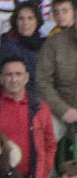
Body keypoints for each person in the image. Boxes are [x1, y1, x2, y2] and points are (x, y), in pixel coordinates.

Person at [34, 0, 77, 147]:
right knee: (44, 135)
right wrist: (63, 110)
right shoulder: (54, 43)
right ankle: (45, 170)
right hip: (61, 109)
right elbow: (42, 81)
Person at [0, 3, 43, 90]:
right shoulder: (8, 46)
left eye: (30, 18)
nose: (25, 23)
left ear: (37, 21)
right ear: (15, 22)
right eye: (21, 19)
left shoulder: (43, 44)